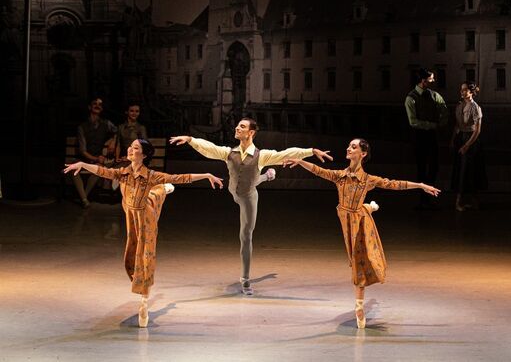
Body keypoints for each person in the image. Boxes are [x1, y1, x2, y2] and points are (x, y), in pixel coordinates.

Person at [64, 138, 223, 328]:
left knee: (146, 255)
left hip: (146, 216)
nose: (130, 150)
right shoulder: (124, 173)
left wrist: (206, 174)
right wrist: (82, 164)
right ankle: (161, 191)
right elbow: (103, 171)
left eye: (136, 148)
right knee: (131, 253)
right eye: (130, 146)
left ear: (144, 155)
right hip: (130, 212)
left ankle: (144, 303)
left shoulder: (151, 175)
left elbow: (179, 177)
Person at [283, 138, 440, 328]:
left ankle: (359, 306)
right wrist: (300, 161)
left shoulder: (367, 180)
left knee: (359, 262)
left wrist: (421, 185)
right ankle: (370, 206)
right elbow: (319, 171)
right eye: (349, 146)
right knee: (356, 259)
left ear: (363, 154)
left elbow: (394, 184)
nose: (348, 149)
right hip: (346, 219)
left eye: (353, 147)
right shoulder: (340, 175)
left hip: (360, 224)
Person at [169, 117, 333, 295]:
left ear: (251, 133)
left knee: (245, 235)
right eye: (238, 125)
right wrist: (191, 140)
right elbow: (210, 149)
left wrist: (311, 150)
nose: (237, 128)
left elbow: (285, 153)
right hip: (234, 191)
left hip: (248, 197)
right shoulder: (229, 152)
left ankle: (245, 279)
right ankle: (267, 176)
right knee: (255, 180)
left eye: (242, 126)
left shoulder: (261, 155)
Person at [405, 68, 448, 209]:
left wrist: (441, 121)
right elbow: (413, 121)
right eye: (431, 79)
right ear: (423, 81)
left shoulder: (434, 95)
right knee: (422, 168)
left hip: (431, 134)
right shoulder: (411, 98)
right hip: (419, 136)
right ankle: (424, 199)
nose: (433, 81)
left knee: (434, 166)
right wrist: (433, 124)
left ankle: (428, 196)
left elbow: (444, 109)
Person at [72, 97, 117, 208]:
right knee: (73, 168)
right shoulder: (82, 127)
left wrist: (113, 141)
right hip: (85, 158)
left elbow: (117, 131)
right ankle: (84, 199)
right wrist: (95, 159)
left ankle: (83, 198)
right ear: (89, 107)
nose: (97, 106)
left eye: (100, 105)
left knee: (99, 169)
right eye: (95, 104)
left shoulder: (106, 123)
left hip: (97, 159)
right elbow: (82, 150)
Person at [450, 81, 487, 211]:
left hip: (471, 140)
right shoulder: (459, 106)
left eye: (465, 90)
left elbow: (477, 130)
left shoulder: (475, 107)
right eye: (461, 89)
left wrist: (467, 145)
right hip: (461, 138)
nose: (462, 92)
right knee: (460, 170)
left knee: (469, 170)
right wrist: (453, 139)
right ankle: (461, 201)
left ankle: (466, 201)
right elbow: (457, 125)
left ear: (471, 92)